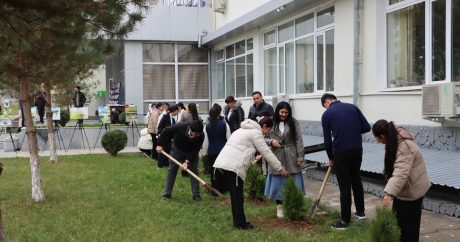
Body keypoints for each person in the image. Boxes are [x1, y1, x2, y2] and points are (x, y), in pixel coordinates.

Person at [213, 117, 288, 230]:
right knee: (238, 196)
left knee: (235, 195)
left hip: (223, 163)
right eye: (268, 131)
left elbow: (242, 148)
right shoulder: (256, 133)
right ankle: (240, 224)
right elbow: (266, 152)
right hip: (234, 166)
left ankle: (238, 222)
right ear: (264, 127)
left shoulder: (240, 130)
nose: (267, 134)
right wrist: (279, 167)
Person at [372, 119, 431, 242]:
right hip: (403, 191)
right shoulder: (394, 140)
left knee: (409, 229)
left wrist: (389, 193)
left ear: (382, 136)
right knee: (398, 224)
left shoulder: (405, 147)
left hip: (412, 191)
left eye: (377, 139)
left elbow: (401, 173)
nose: (378, 141)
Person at [320, 93, 371, 230]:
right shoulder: (352, 107)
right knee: (356, 180)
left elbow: (327, 141)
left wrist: (331, 157)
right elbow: (367, 127)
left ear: (326, 102)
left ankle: (344, 221)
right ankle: (361, 213)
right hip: (357, 149)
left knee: (344, 186)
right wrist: (352, 131)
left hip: (341, 152)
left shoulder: (327, 114)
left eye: (324, 106)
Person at [265, 101, 305, 218]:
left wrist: (300, 156)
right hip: (276, 155)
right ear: (277, 111)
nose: (284, 114)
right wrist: (271, 141)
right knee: (278, 182)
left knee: (292, 180)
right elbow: (263, 136)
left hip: (291, 154)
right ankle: (279, 207)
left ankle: (292, 206)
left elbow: (299, 140)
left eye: (286, 112)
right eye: (282, 112)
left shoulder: (294, 122)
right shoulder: (271, 122)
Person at [156, 120, 205, 201]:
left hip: (191, 152)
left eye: (199, 134)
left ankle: (196, 195)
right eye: (196, 134)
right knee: (172, 170)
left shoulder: (201, 135)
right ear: (191, 130)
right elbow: (166, 131)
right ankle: (167, 194)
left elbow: (195, 150)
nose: (197, 136)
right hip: (177, 149)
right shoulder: (180, 126)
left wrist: (187, 161)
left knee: (194, 171)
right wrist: (159, 144)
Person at [202, 103, 231, 195]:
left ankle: (215, 189)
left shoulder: (207, 126)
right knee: (224, 170)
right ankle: (225, 188)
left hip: (212, 151)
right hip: (223, 150)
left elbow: (205, 141)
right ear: (219, 113)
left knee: (214, 170)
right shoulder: (224, 124)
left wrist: (205, 151)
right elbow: (229, 138)